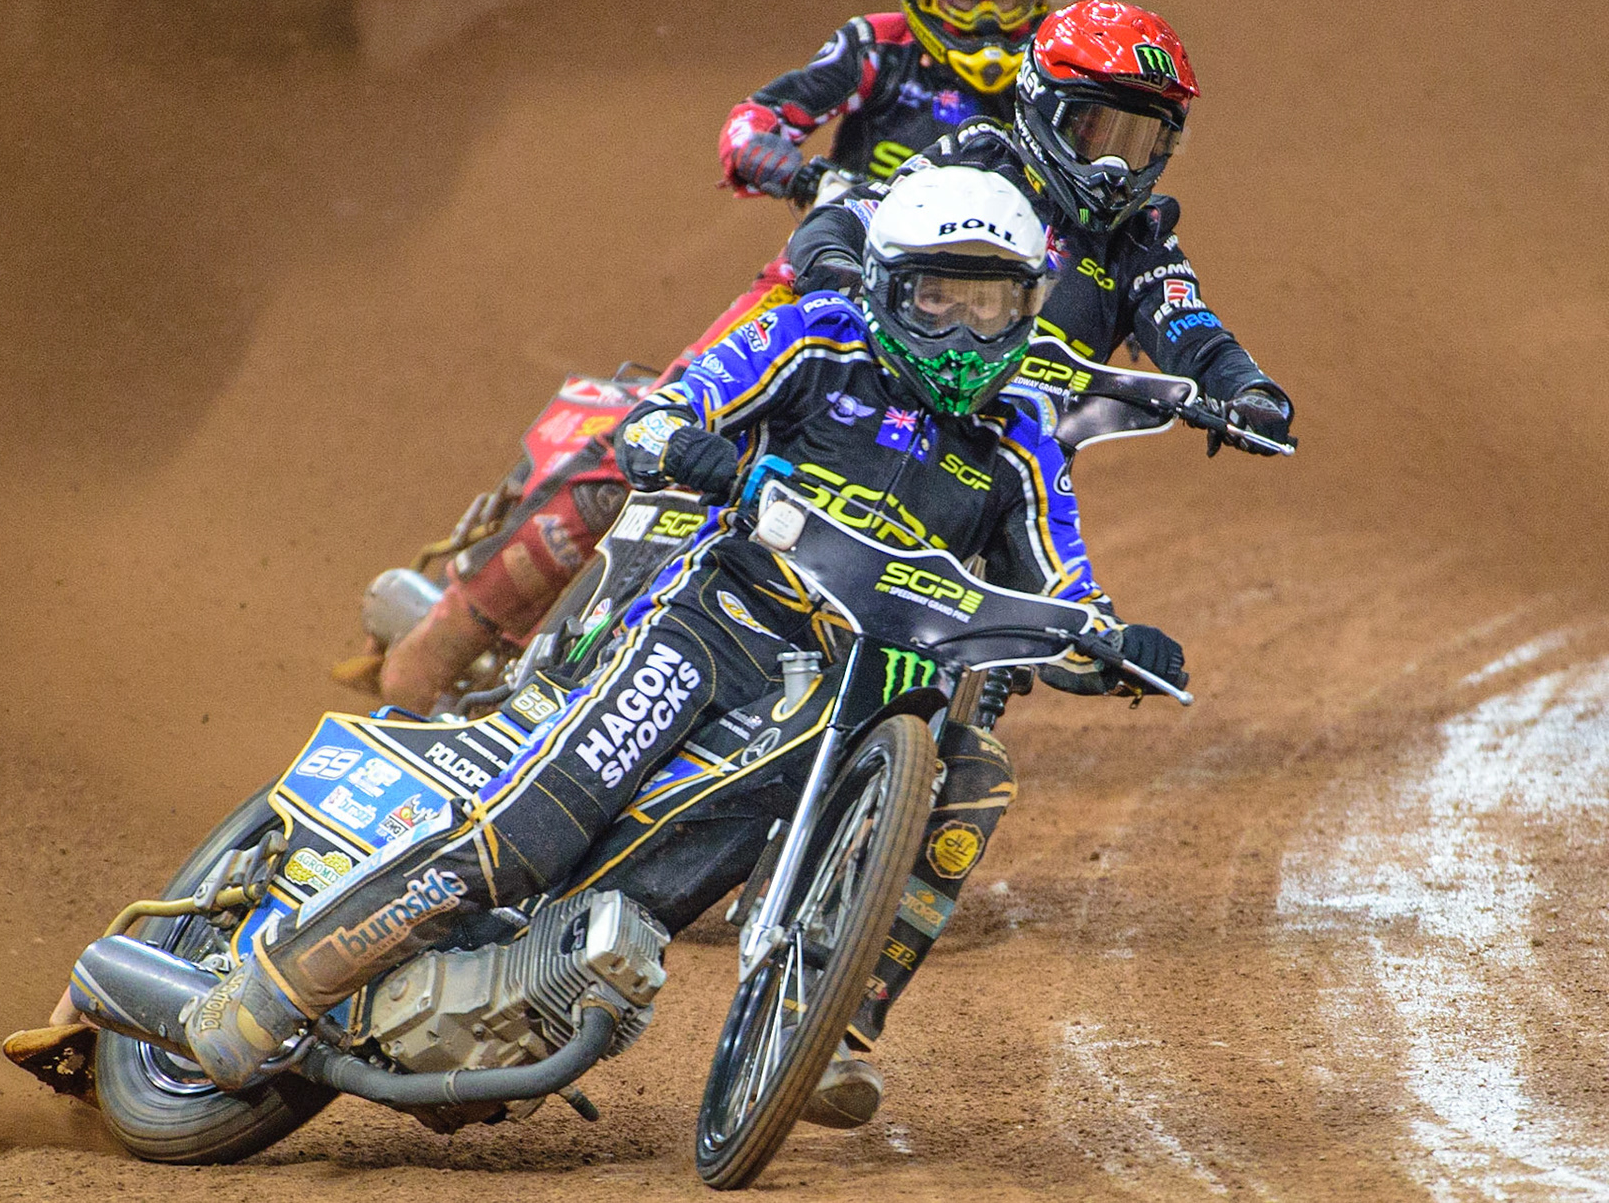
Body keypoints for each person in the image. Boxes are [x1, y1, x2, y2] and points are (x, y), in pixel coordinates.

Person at [182, 166, 1189, 1096]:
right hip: (713, 623)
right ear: (890, 286)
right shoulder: (815, 336)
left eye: (996, 304)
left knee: (972, 770)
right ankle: (271, 989)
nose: (968, 332)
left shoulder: (1020, 439)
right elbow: (662, 415)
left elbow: (1063, 582)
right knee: (531, 835)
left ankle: (830, 1016)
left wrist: (1111, 644)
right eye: (942, 297)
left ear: (1028, 307)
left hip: (839, 690)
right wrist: (698, 452)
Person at [368, 0, 1065, 715]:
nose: (987, 21)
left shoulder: (1052, 92)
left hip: (963, 327)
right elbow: (752, 124)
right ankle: (443, 642)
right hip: (813, 294)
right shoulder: (881, 49)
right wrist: (810, 177)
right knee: (643, 443)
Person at [790, 0, 1295, 448]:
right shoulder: (975, 160)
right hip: (867, 428)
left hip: (1010, 481)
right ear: (1041, 105)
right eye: (1097, 134)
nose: (1115, 169)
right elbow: (838, 221)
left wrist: (1249, 390)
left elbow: (1193, 331)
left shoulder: (1140, 241)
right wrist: (841, 274)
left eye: (1139, 143)